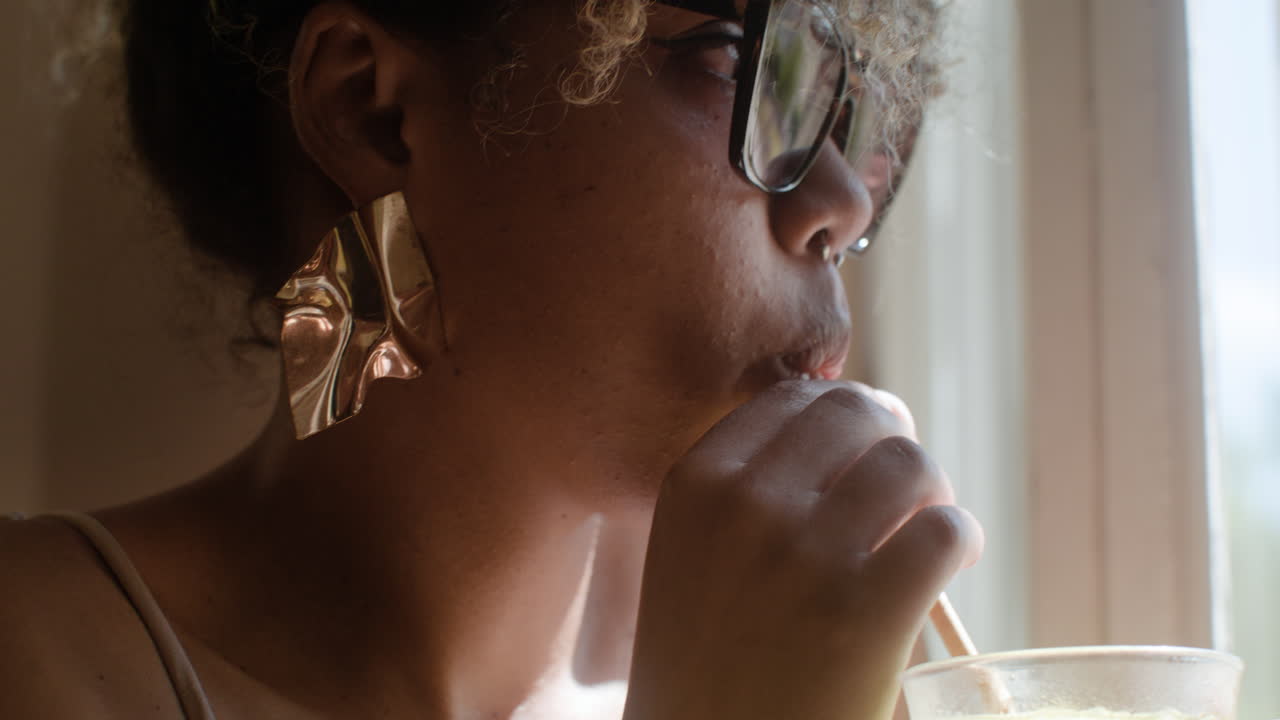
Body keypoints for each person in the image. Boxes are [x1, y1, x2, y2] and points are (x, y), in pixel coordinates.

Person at [0, 0, 983, 718]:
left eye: (844, 107)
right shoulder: (32, 654)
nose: (842, 202)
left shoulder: (813, 657)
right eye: (738, 60)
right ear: (374, 114)